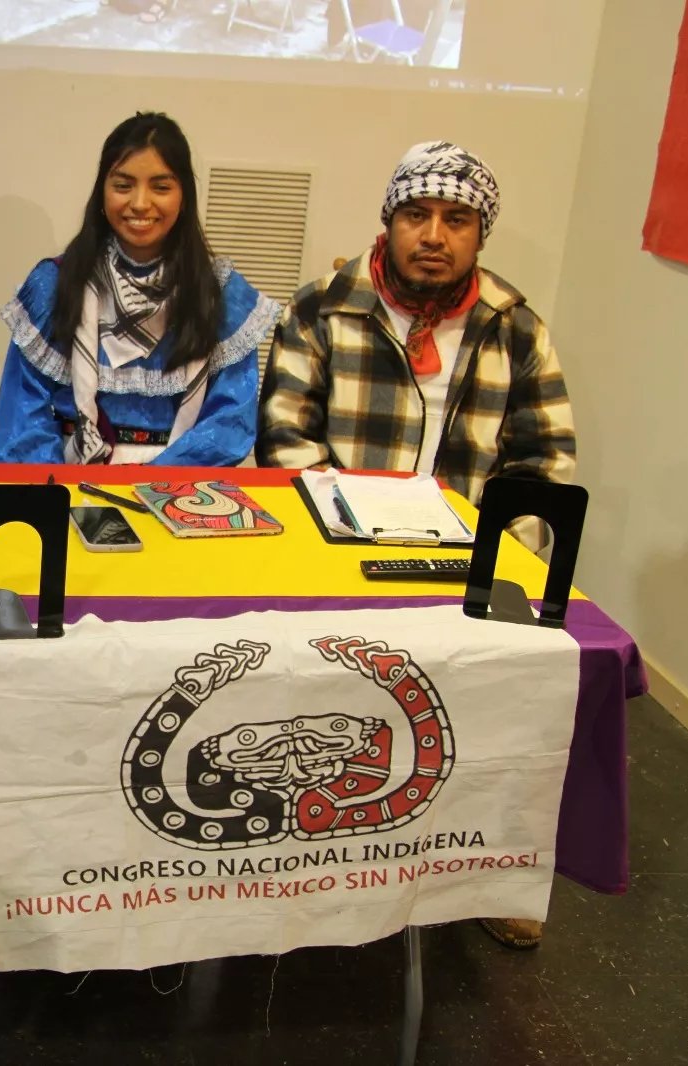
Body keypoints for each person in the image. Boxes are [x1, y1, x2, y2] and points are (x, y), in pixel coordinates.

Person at [260, 140, 576, 949]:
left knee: (510, 706)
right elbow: (284, 443)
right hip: (339, 554)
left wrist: (506, 563)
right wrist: (350, 542)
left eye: (456, 219)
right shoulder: (321, 309)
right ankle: (311, 854)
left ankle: (494, 872)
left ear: (479, 234)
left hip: (467, 565)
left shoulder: (519, 330)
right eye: (417, 214)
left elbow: (545, 463)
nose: (433, 234)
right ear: (390, 221)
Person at [0, 112, 278, 466]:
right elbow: (22, 423)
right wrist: (58, 496)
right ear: (101, 192)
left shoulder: (220, 294)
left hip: (179, 494)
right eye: (123, 185)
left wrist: (152, 488)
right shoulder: (55, 284)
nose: (140, 204)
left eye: (161, 187)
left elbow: (228, 425)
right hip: (68, 486)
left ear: (184, 195)